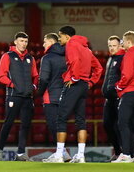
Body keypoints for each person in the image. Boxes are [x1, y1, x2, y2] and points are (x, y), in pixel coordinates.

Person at [43, 25, 102, 164]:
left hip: (74, 84)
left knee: (61, 118)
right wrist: (91, 82)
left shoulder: (71, 45)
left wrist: (74, 78)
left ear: (67, 36)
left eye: (60, 36)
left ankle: (58, 155)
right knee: (81, 120)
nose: (59, 39)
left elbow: (74, 61)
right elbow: (98, 67)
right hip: (83, 86)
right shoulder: (86, 48)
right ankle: (81, 155)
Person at [0, 31, 38, 161]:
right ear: (15, 42)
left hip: (28, 97)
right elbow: (1, 76)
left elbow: (35, 76)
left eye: (25, 42)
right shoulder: (8, 56)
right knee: (8, 123)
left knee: (25, 125)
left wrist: (33, 86)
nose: (23, 44)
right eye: (21, 41)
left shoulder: (31, 58)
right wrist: (13, 85)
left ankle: (20, 153)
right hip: (14, 96)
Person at [113, 31, 134, 164]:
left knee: (122, 123)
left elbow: (126, 75)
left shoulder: (129, 55)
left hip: (130, 93)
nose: (122, 43)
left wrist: (118, 86)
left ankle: (126, 154)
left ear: (128, 42)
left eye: (123, 41)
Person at [35, 33, 69, 162]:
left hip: (50, 96)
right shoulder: (67, 56)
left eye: (44, 42)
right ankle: (62, 152)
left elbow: (43, 78)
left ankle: (61, 153)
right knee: (61, 124)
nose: (43, 45)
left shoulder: (47, 58)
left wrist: (39, 92)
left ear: (50, 42)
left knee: (52, 125)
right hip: (65, 95)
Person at [101, 35, 125, 161]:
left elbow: (125, 76)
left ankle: (124, 153)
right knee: (107, 124)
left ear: (120, 45)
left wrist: (118, 91)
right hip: (109, 98)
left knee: (118, 125)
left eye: (114, 45)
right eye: (110, 45)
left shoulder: (122, 58)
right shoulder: (111, 59)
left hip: (117, 97)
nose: (111, 48)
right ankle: (118, 152)